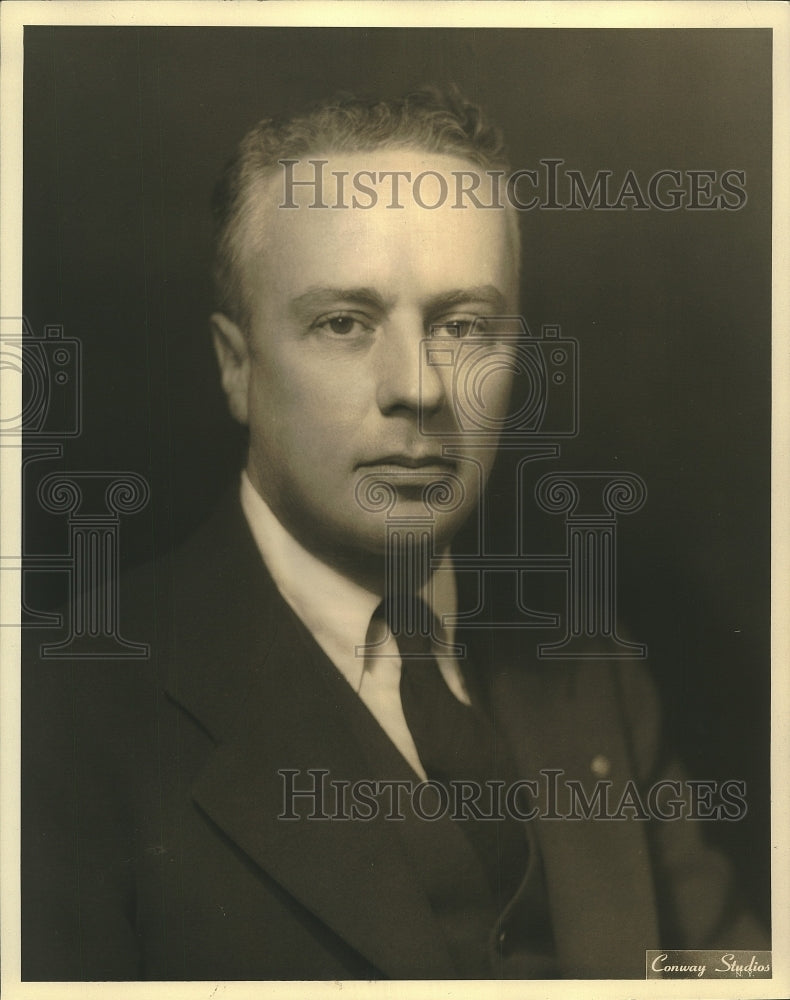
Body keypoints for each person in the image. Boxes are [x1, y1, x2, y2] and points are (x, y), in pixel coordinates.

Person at [21, 88, 767, 981]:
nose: (417, 386)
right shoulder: (56, 716)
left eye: (462, 326)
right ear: (237, 366)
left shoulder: (591, 674)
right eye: (344, 323)